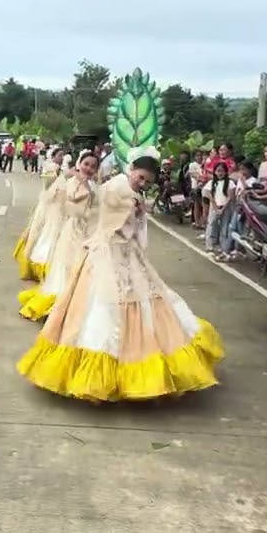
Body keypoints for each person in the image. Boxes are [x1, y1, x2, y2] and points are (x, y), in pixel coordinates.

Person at [17, 150, 224, 401]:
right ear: (132, 168)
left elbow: (134, 229)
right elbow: (109, 212)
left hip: (126, 253)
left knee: (143, 302)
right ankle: (100, 374)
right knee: (100, 309)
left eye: (147, 182)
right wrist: (133, 205)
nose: (143, 184)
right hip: (106, 254)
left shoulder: (129, 191)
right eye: (141, 177)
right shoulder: (117, 187)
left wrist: (137, 209)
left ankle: (138, 365)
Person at [18, 151, 99, 321]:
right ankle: (60, 302)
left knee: (80, 266)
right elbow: (53, 200)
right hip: (70, 230)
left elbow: (96, 212)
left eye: (93, 166)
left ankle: (72, 300)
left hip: (86, 231)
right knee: (66, 265)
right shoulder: (68, 182)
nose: (89, 168)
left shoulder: (94, 187)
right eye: (86, 164)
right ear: (79, 164)